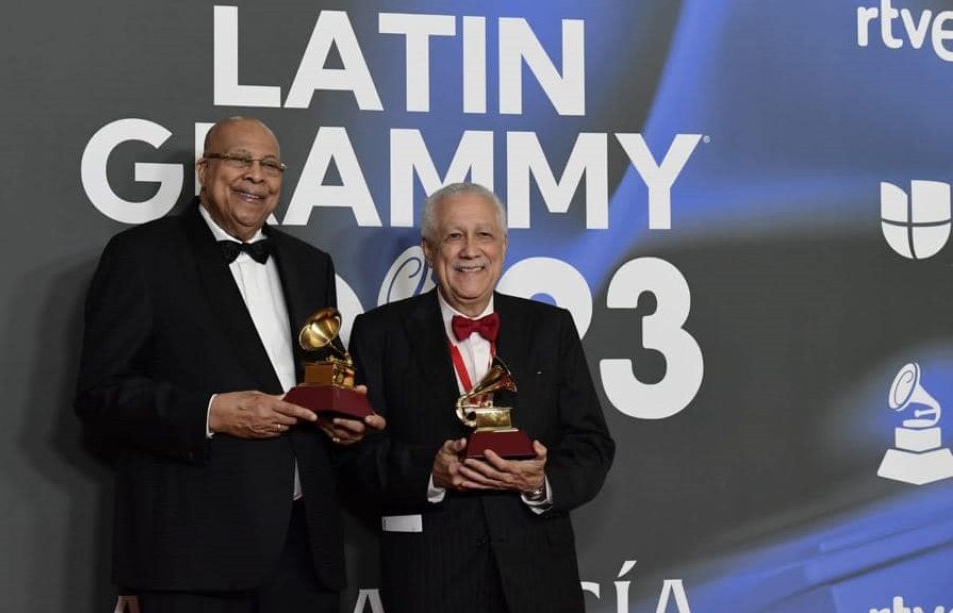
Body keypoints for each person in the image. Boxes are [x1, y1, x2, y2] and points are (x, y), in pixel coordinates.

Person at [75, 116, 383, 613]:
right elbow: (101, 394)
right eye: (240, 159)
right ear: (204, 169)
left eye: (269, 165)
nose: (256, 175)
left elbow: (316, 381)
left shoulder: (311, 264)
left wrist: (342, 420)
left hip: (305, 551)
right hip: (192, 554)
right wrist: (212, 413)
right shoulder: (141, 256)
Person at [346, 182, 615, 613]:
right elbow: (356, 457)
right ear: (429, 251)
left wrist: (540, 483)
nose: (470, 250)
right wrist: (430, 474)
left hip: (539, 581)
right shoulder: (379, 334)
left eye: (484, 234)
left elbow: (592, 445)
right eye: (454, 236)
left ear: (503, 246)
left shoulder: (551, 328)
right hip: (430, 583)